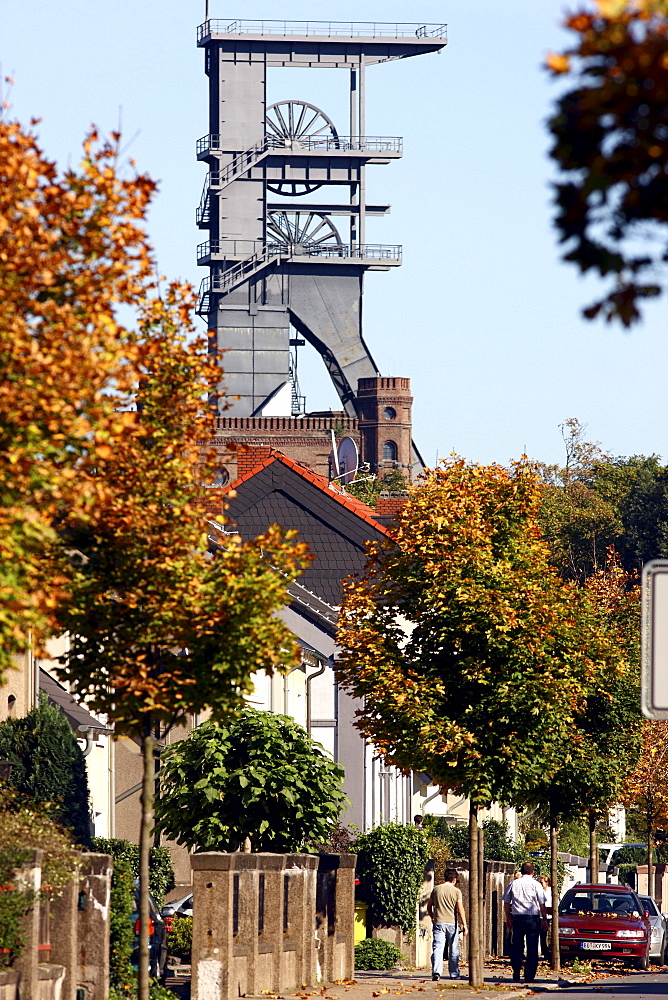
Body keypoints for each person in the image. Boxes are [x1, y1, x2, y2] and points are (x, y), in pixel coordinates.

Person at [502, 862, 548, 983]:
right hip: (532, 918)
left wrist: (508, 918)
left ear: (521, 871)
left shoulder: (513, 883)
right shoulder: (536, 885)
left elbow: (506, 903)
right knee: (532, 947)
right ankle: (529, 975)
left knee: (517, 946)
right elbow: (542, 904)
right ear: (533, 872)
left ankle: (516, 971)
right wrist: (544, 920)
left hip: (517, 918)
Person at [427, 868, 468, 981]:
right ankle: (454, 973)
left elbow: (429, 906)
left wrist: (432, 917)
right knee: (453, 949)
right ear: (454, 879)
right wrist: (464, 925)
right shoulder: (456, 891)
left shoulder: (436, 889)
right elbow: (460, 909)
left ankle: (436, 971)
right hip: (451, 923)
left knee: (438, 948)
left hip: (439, 922)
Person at [538, 876, 552, 963]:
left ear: (547, 882)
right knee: (542, 935)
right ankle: (544, 952)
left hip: (549, 916)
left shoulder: (551, 891)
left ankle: (549, 952)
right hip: (540, 915)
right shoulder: (539, 891)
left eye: (542, 882)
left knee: (548, 935)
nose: (540, 884)